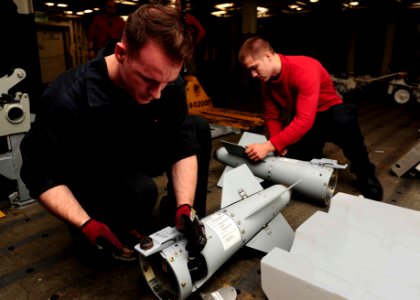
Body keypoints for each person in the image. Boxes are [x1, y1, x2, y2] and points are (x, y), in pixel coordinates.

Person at [20, 4, 211, 265]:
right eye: (149, 80)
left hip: (134, 148)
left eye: (166, 82)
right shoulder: (66, 99)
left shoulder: (166, 83)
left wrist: (185, 205)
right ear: (121, 54)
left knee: (197, 128)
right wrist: (85, 223)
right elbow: (38, 172)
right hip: (92, 168)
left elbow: (183, 144)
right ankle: (109, 223)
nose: (157, 93)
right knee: (136, 198)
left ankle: (183, 220)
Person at [238, 37, 383, 201]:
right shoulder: (266, 81)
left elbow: (304, 120)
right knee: (294, 158)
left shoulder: (303, 68)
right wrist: (278, 144)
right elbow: (272, 116)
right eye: (250, 70)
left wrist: (269, 146)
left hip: (331, 113)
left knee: (346, 127)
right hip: (303, 117)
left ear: (268, 56)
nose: (253, 74)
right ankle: (313, 153)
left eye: (254, 68)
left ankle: (366, 175)